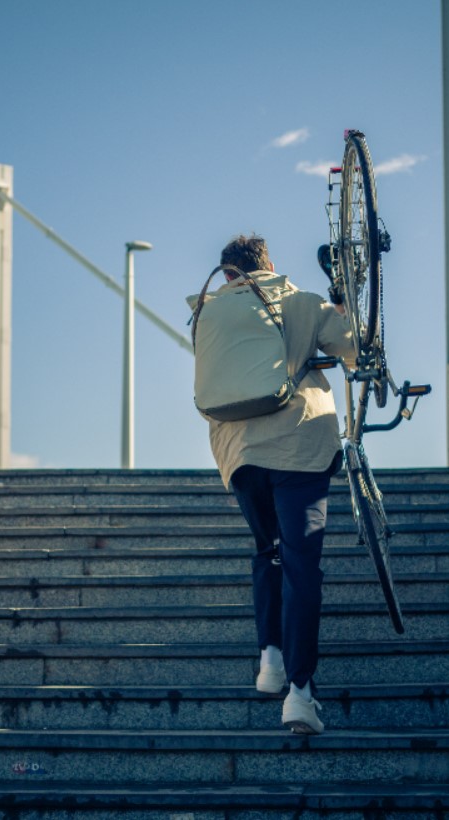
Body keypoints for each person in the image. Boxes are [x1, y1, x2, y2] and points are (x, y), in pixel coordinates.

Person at [192, 234, 354, 734]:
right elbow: (352, 345)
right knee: (302, 565)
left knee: (269, 551)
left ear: (226, 275)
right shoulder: (300, 302)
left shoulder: (207, 314)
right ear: (269, 265)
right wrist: (343, 301)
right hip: (299, 446)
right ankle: (300, 696)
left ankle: (270, 661)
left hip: (239, 454)